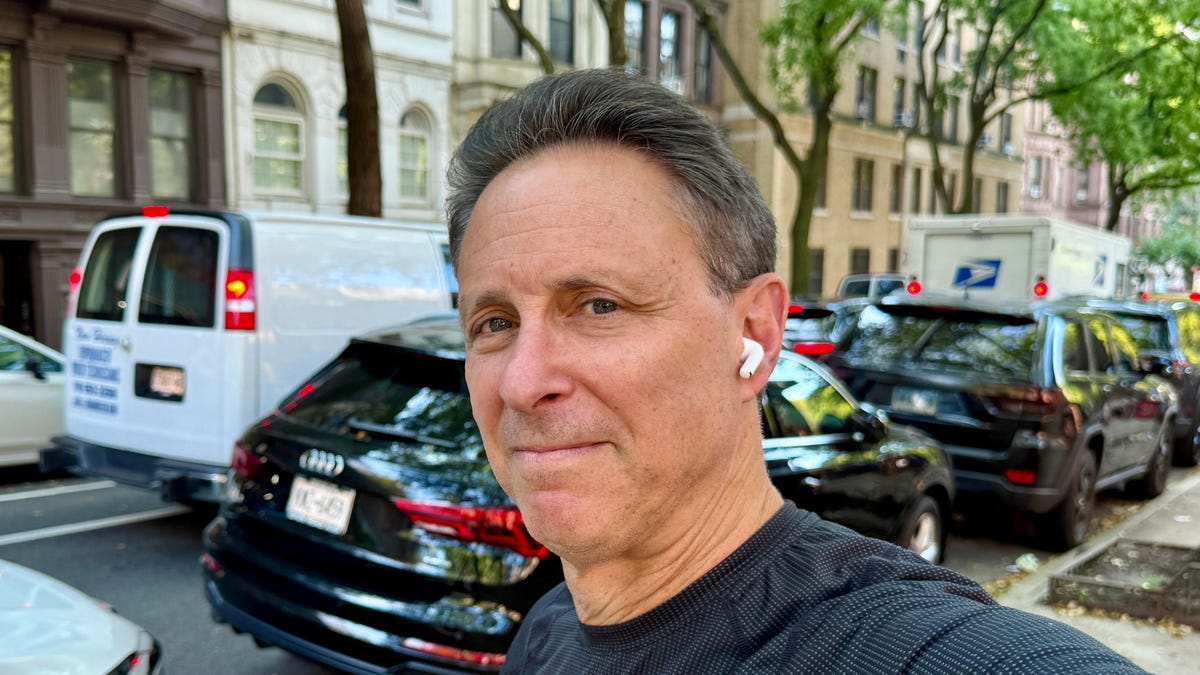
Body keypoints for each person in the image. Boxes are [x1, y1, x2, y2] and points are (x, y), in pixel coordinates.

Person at [444, 68, 1145, 674]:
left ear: (754, 333)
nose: (521, 382)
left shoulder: (902, 647)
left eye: (600, 305)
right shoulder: (545, 633)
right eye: (495, 323)